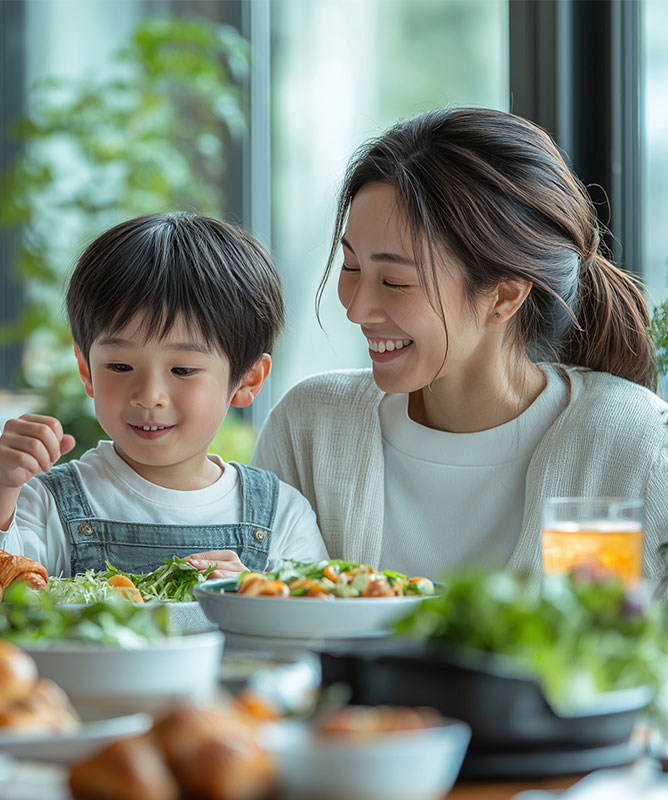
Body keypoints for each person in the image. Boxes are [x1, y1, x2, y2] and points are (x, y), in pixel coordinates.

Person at [252, 106, 668, 579]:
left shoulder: (636, 445)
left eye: (394, 281)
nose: (355, 309)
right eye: (352, 268)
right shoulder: (310, 427)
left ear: (505, 295)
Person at [0, 212, 327, 578]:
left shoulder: (281, 515)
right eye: (119, 367)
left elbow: (314, 622)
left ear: (247, 380)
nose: (149, 397)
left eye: (182, 370)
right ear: (87, 371)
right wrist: (4, 482)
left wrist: (256, 593)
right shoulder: (50, 502)